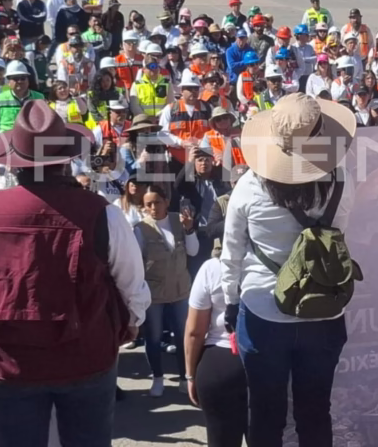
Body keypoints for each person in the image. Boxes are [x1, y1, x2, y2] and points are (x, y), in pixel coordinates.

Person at [0, 100, 149, 447]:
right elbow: (131, 281)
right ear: (64, 160)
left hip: (9, 361)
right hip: (85, 356)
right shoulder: (101, 213)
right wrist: (131, 322)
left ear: (15, 162)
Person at [221, 93, 358, 447]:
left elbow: (231, 255)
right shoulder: (342, 180)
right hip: (324, 312)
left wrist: (230, 302)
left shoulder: (249, 186)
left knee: (265, 415)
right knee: (315, 413)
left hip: (264, 314)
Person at [134, 184, 198, 397]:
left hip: (180, 290)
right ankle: (158, 378)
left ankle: (184, 377)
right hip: (155, 293)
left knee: (182, 336)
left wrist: (189, 229)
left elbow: (193, 251)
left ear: (166, 202)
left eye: (157, 202)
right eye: (148, 204)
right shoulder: (141, 229)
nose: (153, 208)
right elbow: (136, 262)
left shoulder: (179, 221)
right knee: (153, 337)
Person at [185, 255, 248, 447]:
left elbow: (195, 331)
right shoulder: (279, 258)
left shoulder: (211, 268)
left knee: (221, 439)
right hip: (269, 361)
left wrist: (190, 375)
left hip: (220, 363)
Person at [159, 73, 211, 168]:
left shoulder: (207, 108)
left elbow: (215, 132)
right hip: (177, 161)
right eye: (189, 88)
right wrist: (181, 142)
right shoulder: (170, 109)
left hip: (201, 161)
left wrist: (203, 142)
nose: (193, 92)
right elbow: (162, 134)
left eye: (196, 89)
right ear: (182, 90)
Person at [0, 61, 46, 132]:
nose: (20, 81)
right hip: (6, 137)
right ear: (8, 81)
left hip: (31, 136)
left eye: (23, 78)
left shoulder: (39, 98)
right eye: (15, 78)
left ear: (28, 80)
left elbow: (45, 121)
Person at [130, 47, 173, 117]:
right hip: (143, 120)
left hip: (161, 119)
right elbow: (134, 106)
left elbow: (170, 104)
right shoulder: (136, 84)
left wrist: (158, 116)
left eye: (156, 66)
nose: (154, 69)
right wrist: (146, 118)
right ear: (144, 69)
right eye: (151, 66)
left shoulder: (166, 83)